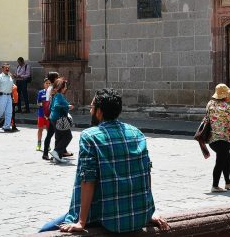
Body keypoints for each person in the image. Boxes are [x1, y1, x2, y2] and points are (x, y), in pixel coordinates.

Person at [40, 88, 170, 233]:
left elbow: (88, 179)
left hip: (107, 218)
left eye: (92, 107)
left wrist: (81, 222)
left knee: (44, 231)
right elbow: (145, 173)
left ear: (99, 112)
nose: (90, 110)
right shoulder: (136, 133)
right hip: (138, 216)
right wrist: (150, 211)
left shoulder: (90, 136)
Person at [48, 78, 74, 163]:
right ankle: (56, 151)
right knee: (68, 136)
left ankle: (57, 157)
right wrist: (67, 106)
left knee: (59, 137)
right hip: (59, 119)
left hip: (54, 118)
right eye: (64, 86)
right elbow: (56, 106)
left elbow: (51, 107)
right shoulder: (59, 95)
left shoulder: (56, 95)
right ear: (60, 87)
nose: (66, 88)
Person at [0, 62, 16, 132]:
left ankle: (6, 126)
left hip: (9, 96)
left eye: (8, 68)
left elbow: (11, 87)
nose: (7, 69)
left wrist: (12, 96)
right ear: (2, 68)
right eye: (6, 67)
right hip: (2, 96)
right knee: (1, 111)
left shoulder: (10, 77)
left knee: (9, 112)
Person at [41, 71, 61, 160]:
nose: (59, 78)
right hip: (54, 113)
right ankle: (57, 153)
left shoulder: (50, 88)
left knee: (50, 134)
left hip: (50, 113)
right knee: (58, 134)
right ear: (54, 79)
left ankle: (46, 153)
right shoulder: (53, 89)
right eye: (57, 77)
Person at [36, 78, 51, 151]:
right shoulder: (41, 92)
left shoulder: (52, 93)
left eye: (49, 83)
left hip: (49, 115)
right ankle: (39, 144)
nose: (48, 85)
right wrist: (43, 104)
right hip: (41, 114)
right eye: (46, 83)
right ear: (44, 84)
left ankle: (47, 145)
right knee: (40, 129)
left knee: (49, 130)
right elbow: (38, 103)